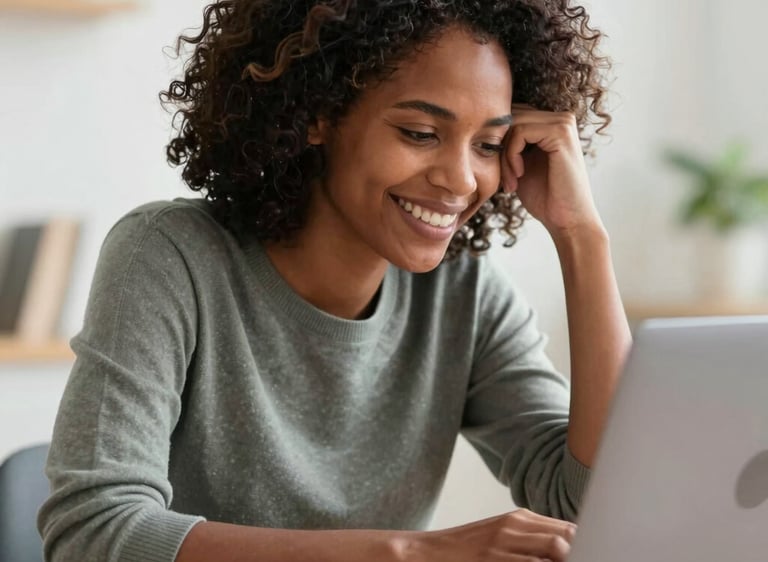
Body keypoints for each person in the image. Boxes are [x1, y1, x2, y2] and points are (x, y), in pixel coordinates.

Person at [38, 1, 632, 561]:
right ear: (318, 113)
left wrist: (581, 237)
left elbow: (594, 504)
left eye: (489, 144)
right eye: (420, 133)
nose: (460, 179)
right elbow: (94, 532)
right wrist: (412, 553)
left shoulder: (464, 296)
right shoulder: (172, 257)